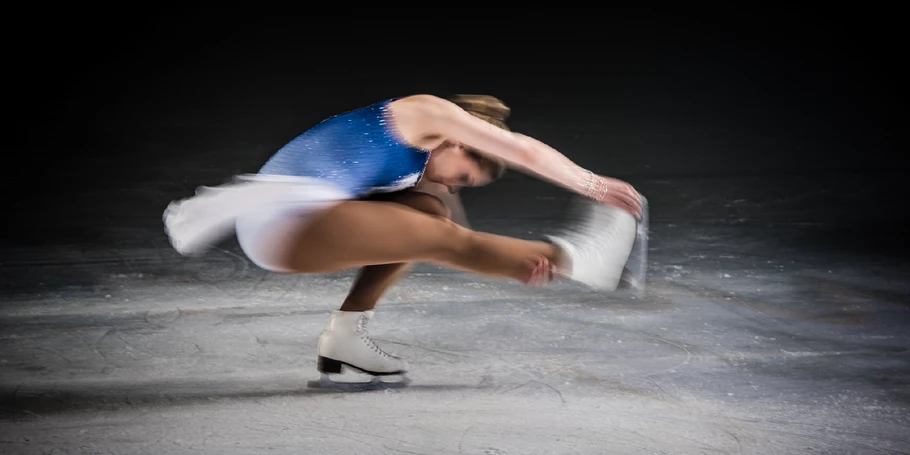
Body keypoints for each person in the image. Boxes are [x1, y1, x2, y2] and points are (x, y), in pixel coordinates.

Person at [163, 94, 645, 384]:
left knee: (428, 215)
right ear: (460, 144)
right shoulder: (425, 112)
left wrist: (503, 261)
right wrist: (595, 186)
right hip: (282, 220)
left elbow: (455, 236)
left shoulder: (422, 169)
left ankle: (345, 339)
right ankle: (580, 258)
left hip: (296, 220)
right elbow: (518, 151)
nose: (457, 185)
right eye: (466, 177)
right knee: (434, 232)